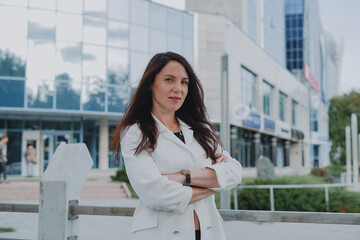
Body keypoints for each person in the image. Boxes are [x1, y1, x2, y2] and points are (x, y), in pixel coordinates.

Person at [111, 52, 242, 240]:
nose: (178, 89)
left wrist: (183, 178)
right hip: (161, 233)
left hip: (208, 231)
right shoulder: (136, 132)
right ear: (150, 85)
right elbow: (155, 193)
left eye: (184, 82)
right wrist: (214, 183)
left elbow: (235, 172)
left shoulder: (201, 129)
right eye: (169, 80)